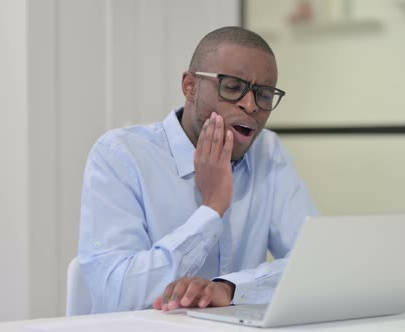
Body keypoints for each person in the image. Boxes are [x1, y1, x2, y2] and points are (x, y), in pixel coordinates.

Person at [78, 26, 318, 314]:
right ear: (190, 86)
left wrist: (230, 288)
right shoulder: (120, 155)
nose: (251, 105)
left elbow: (315, 265)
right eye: (232, 87)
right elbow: (116, 295)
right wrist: (212, 208)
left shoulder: (268, 151)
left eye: (264, 95)